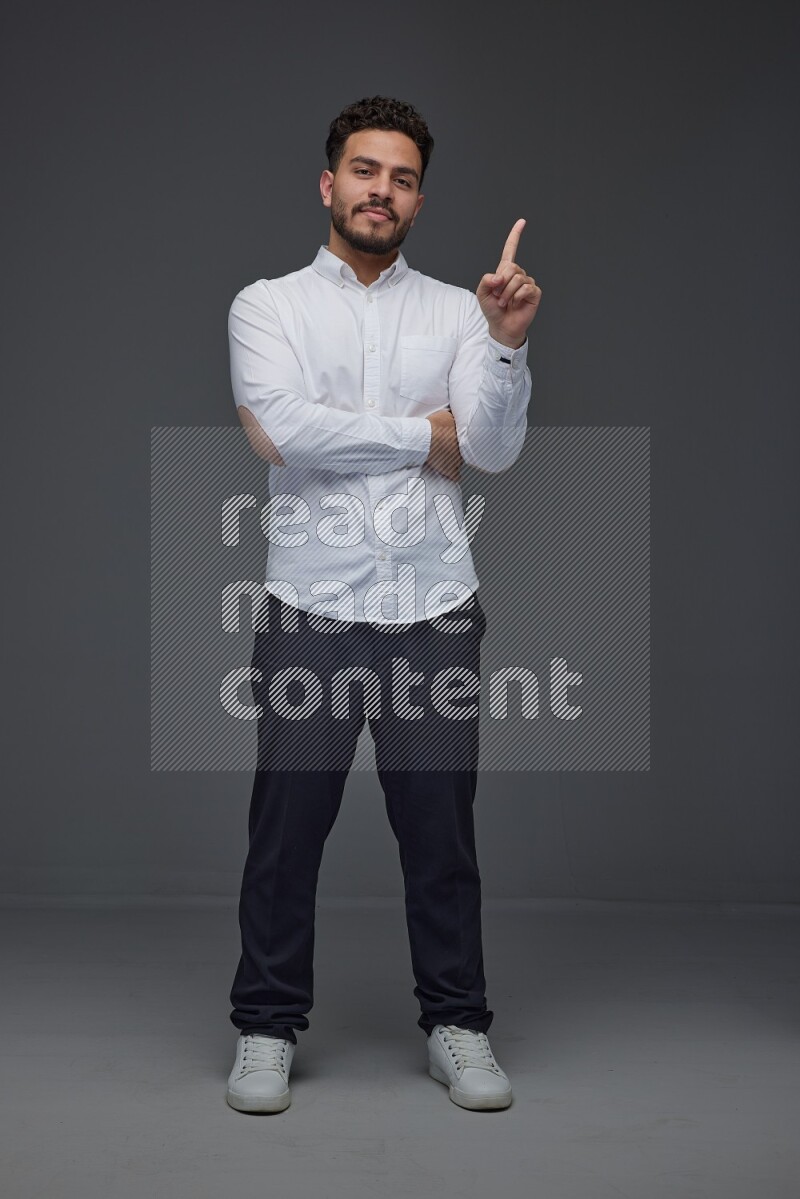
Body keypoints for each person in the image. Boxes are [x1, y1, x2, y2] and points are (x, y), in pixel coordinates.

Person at [225, 95, 542, 1114]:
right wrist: (422, 434)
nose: (381, 191)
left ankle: (458, 1021)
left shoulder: (459, 309)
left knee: (440, 831)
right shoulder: (267, 305)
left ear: (416, 197)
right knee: (285, 828)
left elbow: (489, 450)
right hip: (309, 609)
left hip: (433, 609)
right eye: (365, 171)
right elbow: (279, 432)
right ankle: (265, 1026)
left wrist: (499, 347)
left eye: (401, 178)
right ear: (329, 184)